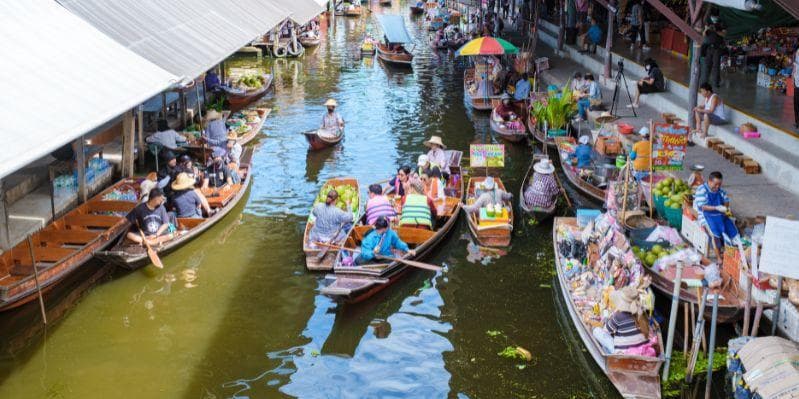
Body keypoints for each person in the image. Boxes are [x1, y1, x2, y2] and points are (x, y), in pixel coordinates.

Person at [592, 286, 652, 355]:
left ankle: (608, 353)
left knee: (596, 331)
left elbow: (606, 330)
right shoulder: (642, 314)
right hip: (641, 350)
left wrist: (609, 317)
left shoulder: (618, 316)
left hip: (623, 354)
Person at [693, 171, 739, 258]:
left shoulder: (720, 191)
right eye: (715, 184)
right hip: (706, 216)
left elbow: (726, 200)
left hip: (720, 215)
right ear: (709, 181)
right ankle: (718, 258)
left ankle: (732, 252)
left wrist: (725, 208)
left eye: (719, 184)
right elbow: (703, 207)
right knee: (714, 234)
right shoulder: (701, 190)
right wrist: (716, 208)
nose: (717, 186)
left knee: (731, 228)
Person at [794, 47, 799, 129]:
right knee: (796, 102)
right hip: (797, 81)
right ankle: (797, 122)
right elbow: (795, 64)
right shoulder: (798, 51)